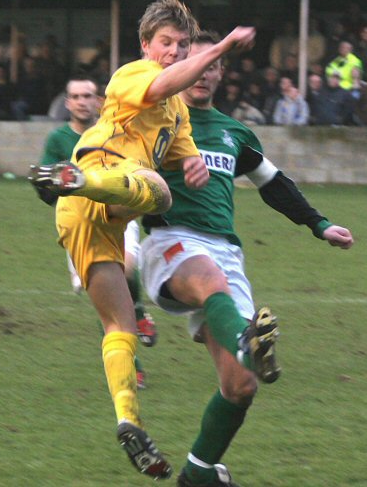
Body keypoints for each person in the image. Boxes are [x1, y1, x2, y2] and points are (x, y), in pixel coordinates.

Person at [29, 0, 255, 481]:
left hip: (96, 219)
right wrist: (217, 51)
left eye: (180, 44)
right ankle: (75, 178)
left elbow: (183, 152)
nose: (173, 52)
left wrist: (193, 163)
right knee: (158, 193)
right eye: (165, 43)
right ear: (145, 45)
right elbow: (165, 83)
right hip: (98, 178)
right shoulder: (134, 73)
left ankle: (128, 419)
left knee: (120, 325)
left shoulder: (179, 114)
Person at [139, 30, 354, 487]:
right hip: (171, 240)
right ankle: (245, 338)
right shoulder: (152, 117)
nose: (204, 72)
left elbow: (272, 183)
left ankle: (198, 471)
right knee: (210, 281)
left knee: (241, 387)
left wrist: (319, 224)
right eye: (195, 62)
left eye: (213, 65)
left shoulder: (234, 132)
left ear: (220, 73)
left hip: (226, 252)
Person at [38, 75, 157, 386]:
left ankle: (139, 311)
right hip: (81, 224)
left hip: (117, 216)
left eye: (87, 95)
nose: (81, 101)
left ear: (98, 101)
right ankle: (132, 363)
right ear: (67, 103)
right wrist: (49, 184)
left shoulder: (112, 133)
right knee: (102, 296)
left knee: (128, 266)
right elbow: (46, 184)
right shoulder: (58, 139)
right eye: (75, 96)